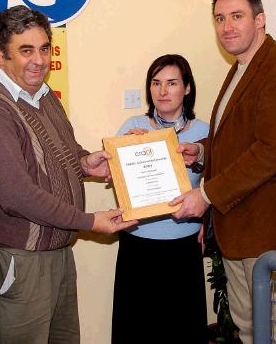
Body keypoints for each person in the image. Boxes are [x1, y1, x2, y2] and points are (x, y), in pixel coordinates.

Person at [0, 5, 136, 344]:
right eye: (26, 50)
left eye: (44, 48)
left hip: (57, 251)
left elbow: (56, 152)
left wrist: (84, 164)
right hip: (23, 261)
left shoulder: (40, 93)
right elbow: (17, 195)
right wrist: (90, 221)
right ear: (0, 54)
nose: (39, 60)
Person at [170, 0, 276, 344]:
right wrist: (201, 152)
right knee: (249, 328)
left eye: (237, 16)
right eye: (220, 18)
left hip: (268, 232)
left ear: (260, 19)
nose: (227, 27)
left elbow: (270, 150)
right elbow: (239, 137)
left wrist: (207, 195)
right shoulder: (241, 67)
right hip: (237, 229)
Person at [111, 54, 209, 344]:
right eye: (156, 83)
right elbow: (117, 182)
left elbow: (216, 186)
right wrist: (130, 149)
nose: (162, 91)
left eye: (171, 83)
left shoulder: (204, 133)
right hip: (139, 245)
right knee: (137, 330)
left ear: (187, 88)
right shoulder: (133, 126)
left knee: (182, 330)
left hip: (183, 246)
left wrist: (207, 219)